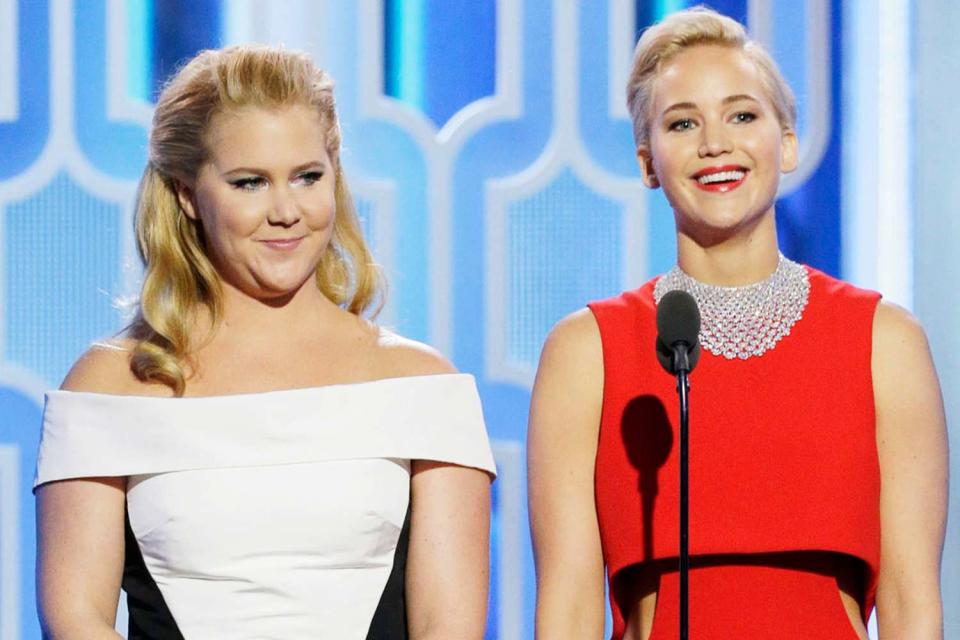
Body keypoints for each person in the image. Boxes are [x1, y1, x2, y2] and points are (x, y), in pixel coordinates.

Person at [34, 45, 495, 639]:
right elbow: (77, 621)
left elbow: (448, 628)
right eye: (250, 182)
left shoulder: (422, 385)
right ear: (185, 195)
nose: (286, 211)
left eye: (307, 176)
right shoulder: (111, 387)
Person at [528, 8, 947, 640]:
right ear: (647, 163)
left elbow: (914, 607)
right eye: (682, 123)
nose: (714, 143)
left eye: (742, 115)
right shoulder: (587, 352)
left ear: (787, 141)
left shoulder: (882, 341)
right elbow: (566, 612)